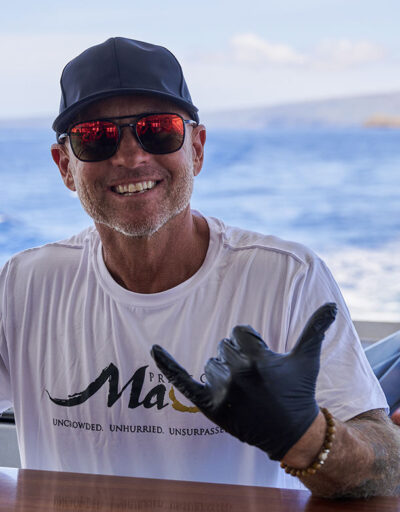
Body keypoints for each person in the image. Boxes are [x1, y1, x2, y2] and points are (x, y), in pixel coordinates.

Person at [0, 37, 398, 498]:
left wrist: (304, 436)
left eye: (159, 130)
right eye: (96, 137)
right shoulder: (24, 285)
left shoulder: (287, 277)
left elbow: (388, 467)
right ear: (65, 166)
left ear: (198, 149)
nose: (130, 156)